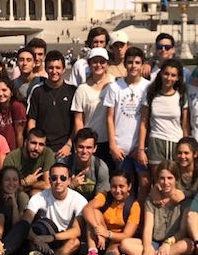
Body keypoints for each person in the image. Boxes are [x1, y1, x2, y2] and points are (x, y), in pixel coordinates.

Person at [118, 161, 192, 255]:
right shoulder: (151, 199)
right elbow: (148, 228)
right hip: (154, 242)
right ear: (157, 180)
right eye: (162, 178)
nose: (166, 182)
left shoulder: (184, 201)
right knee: (125, 244)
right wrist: (147, 248)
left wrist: (167, 243)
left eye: (170, 178)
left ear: (176, 179)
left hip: (174, 242)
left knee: (188, 244)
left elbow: (182, 231)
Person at [21, 163, 88, 255]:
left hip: (62, 239)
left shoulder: (78, 200)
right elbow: (24, 223)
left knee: (75, 242)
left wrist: (51, 237)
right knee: (30, 233)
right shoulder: (39, 197)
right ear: (49, 180)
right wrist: (36, 239)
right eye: (54, 178)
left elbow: (76, 231)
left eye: (63, 178)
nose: (58, 181)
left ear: (69, 180)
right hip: (41, 237)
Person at [103, 45, 150, 183]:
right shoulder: (115, 86)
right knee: (122, 185)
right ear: (124, 64)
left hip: (139, 146)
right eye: (130, 62)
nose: (133, 66)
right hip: (120, 147)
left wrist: (141, 147)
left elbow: (145, 119)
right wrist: (113, 146)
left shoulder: (147, 87)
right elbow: (109, 118)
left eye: (137, 63)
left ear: (142, 64)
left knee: (144, 183)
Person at [81, 171, 142, 255]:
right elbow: (87, 208)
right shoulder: (105, 195)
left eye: (121, 186)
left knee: (114, 249)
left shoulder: (134, 205)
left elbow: (127, 235)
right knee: (93, 212)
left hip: (117, 238)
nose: (117, 190)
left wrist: (107, 234)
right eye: (114, 186)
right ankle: (93, 253)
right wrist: (98, 229)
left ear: (129, 186)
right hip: (101, 234)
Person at [138, 57, 188, 173]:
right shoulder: (151, 93)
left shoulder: (181, 95)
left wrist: (186, 148)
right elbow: (143, 123)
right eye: (166, 74)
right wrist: (141, 149)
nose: (169, 78)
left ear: (178, 78)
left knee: (175, 182)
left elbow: (185, 125)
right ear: (160, 74)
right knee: (159, 182)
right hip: (156, 142)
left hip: (176, 142)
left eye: (173, 75)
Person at [26, 50, 77, 159]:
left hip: (64, 149)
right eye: (50, 68)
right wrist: (35, 145)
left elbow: (77, 122)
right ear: (45, 69)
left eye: (58, 68)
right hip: (42, 148)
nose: (54, 71)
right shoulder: (37, 91)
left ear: (64, 69)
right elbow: (32, 120)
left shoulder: (72, 90)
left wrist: (69, 145)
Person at [70, 46, 113, 163]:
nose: (98, 65)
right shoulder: (82, 89)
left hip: (111, 141)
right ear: (89, 64)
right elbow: (79, 119)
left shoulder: (115, 85)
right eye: (95, 61)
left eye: (102, 62)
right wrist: (82, 143)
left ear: (107, 64)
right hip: (89, 144)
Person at [3, 125, 56, 194]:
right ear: (25, 143)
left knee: (35, 193)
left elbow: (47, 185)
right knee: (22, 196)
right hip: (16, 192)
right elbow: (5, 185)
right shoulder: (12, 157)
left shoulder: (47, 153)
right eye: (33, 143)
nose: (36, 148)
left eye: (41, 144)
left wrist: (29, 183)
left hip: (34, 190)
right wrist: (25, 182)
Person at [66, 128, 110, 200]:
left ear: (95, 148)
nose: (84, 151)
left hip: (90, 206)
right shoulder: (64, 164)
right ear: (75, 146)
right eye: (81, 147)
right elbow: (54, 193)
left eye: (89, 147)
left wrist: (87, 209)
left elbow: (101, 199)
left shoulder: (100, 167)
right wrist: (71, 186)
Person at [0, 77, 27, 152]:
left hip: (12, 151)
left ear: (11, 91)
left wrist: (18, 155)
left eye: (4, 90)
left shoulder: (17, 107)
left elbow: (19, 135)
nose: (0, 94)